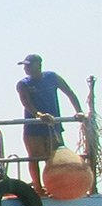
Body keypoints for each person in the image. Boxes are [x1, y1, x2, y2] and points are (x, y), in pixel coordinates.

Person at [16, 54, 82, 196]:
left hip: (53, 126)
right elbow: (26, 103)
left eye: (29, 65)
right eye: (24, 66)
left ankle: (56, 187)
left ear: (38, 65)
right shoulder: (23, 84)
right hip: (33, 126)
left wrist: (79, 112)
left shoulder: (52, 77)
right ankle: (39, 188)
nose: (26, 68)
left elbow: (70, 93)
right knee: (34, 157)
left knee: (55, 158)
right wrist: (39, 115)